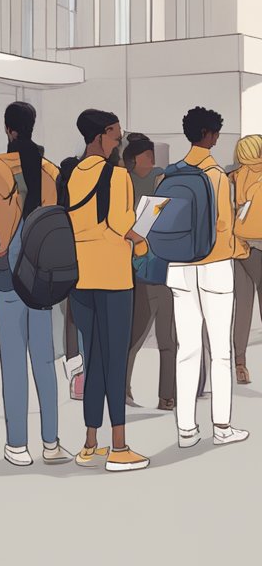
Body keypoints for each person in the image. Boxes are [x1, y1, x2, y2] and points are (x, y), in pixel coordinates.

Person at [0, 102, 72, 467]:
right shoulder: (50, 170)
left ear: (8, 130)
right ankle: (51, 442)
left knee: (13, 362)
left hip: (7, 275)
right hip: (42, 274)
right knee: (44, 360)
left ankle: (17, 444)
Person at [62, 110, 150, 471]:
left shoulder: (70, 174)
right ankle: (119, 446)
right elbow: (121, 223)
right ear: (99, 136)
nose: (119, 142)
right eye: (115, 135)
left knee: (94, 358)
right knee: (115, 359)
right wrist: (141, 241)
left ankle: (89, 443)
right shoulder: (117, 176)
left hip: (81, 278)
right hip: (113, 277)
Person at [167, 107, 250, 448]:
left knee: (186, 348)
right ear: (210, 135)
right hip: (215, 266)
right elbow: (225, 228)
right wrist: (239, 249)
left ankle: (186, 429)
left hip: (180, 267)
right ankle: (221, 426)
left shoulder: (169, 175)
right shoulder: (217, 176)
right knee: (220, 350)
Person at [123, 133, 176, 410]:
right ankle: (124, 389)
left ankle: (167, 395)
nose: (152, 159)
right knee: (135, 333)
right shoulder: (123, 181)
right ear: (133, 160)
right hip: (134, 268)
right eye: (146, 155)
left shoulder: (161, 178)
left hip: (160, 262)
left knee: (167, 335)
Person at [231, 135, 262, 385]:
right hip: (259, 250)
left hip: (240, 248)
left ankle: (240, 364)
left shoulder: (235, 177)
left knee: (242, 308)